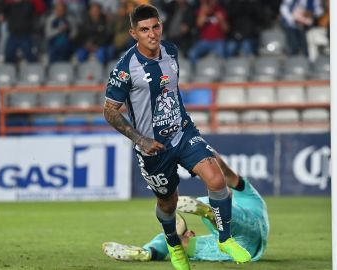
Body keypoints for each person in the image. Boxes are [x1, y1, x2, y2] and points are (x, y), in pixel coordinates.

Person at [102, 4, 250, 270]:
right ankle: (172, 243)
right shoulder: (125, 69)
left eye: (155, 26)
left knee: (216, 179)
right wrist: (141, 140)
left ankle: (225, 239)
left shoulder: (171, 51)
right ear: (133, 33)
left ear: (161, 25)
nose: (152, 34)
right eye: (144, 29)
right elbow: (110, 112)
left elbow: (170, 93)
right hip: (152, 148)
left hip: (182, 132)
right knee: (167, 203)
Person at [102, 163, 269, 263]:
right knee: (175, 241)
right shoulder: (250, 196)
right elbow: (226, 173)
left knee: (220, 207)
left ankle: (209, 211)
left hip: (249, 231)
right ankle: (148, 252)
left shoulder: (248, 197)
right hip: (243, 249)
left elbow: (224, 171)